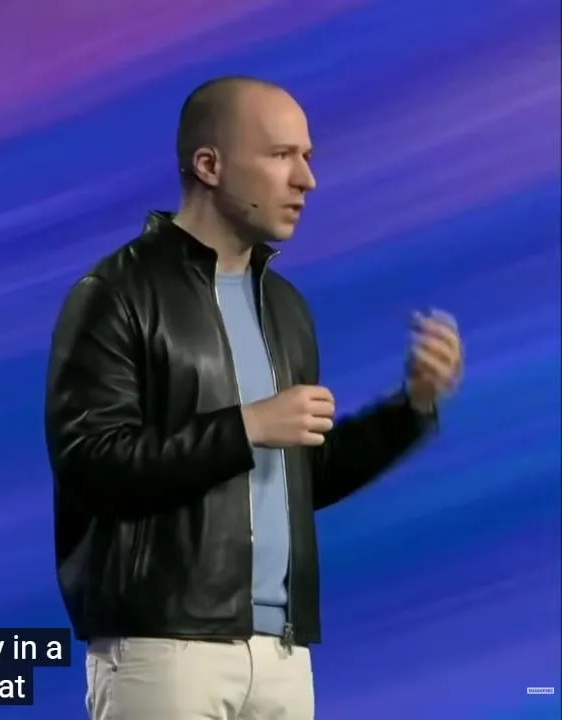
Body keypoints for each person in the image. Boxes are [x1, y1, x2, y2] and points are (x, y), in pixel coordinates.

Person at [45, 76, 464, 720]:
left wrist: (411, 410)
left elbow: (299, 479)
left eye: (308, 157)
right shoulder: (117, 294)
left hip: (282, 654)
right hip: (165, 649)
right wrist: (246, 427)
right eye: (281, 155)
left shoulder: (286, 308)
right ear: (209, 165)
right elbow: (90, 466)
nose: (307, 180)